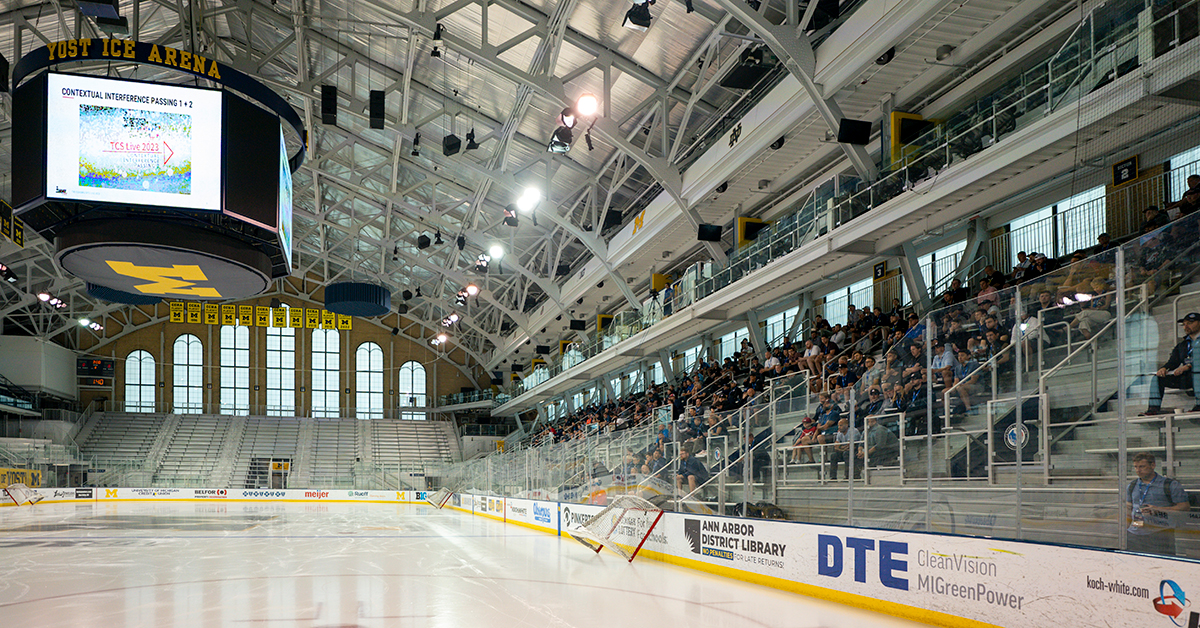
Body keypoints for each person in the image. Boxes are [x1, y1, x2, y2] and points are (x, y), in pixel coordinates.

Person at [1126, 453, 1189, 555]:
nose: (1138, 470)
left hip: (1160, 533)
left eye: (1142, 466)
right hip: (1135, 533)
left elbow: (1184, 507)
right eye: (1135, 467)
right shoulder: (1132, 485)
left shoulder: (1169, 485)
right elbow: (1128, 508)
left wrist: (1158, 509)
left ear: (1153, 465)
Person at [1141, 313, 1200, 415]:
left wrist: (1189, 366)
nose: (1186, 326)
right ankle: (1153, 409)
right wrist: (1164, 368)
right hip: (1188, 377)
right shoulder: (1183, 345)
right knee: (1158, 377)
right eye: (1184, 324)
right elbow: (1173, 361)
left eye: (1190, 323)